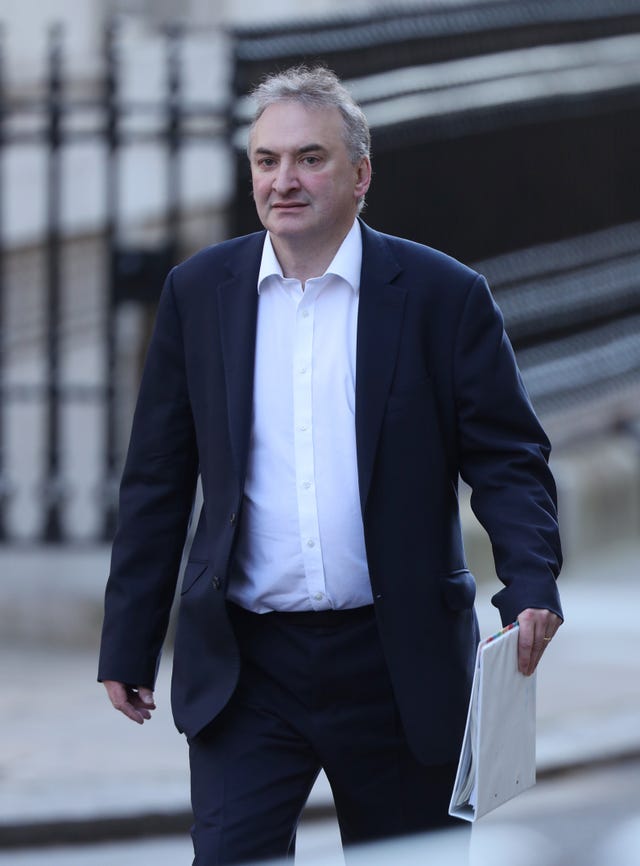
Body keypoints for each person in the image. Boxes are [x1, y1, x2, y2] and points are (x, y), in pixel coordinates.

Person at [98, 65, 563, 865]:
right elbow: (158, 477)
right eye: (266, 161)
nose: (284, 180)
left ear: (361, 174)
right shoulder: (199, 293)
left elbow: (507, 457)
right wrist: (129, 640)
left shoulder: (442, 296)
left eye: (310, 158)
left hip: (399, 663)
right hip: (247, 670)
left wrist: (530, 582)